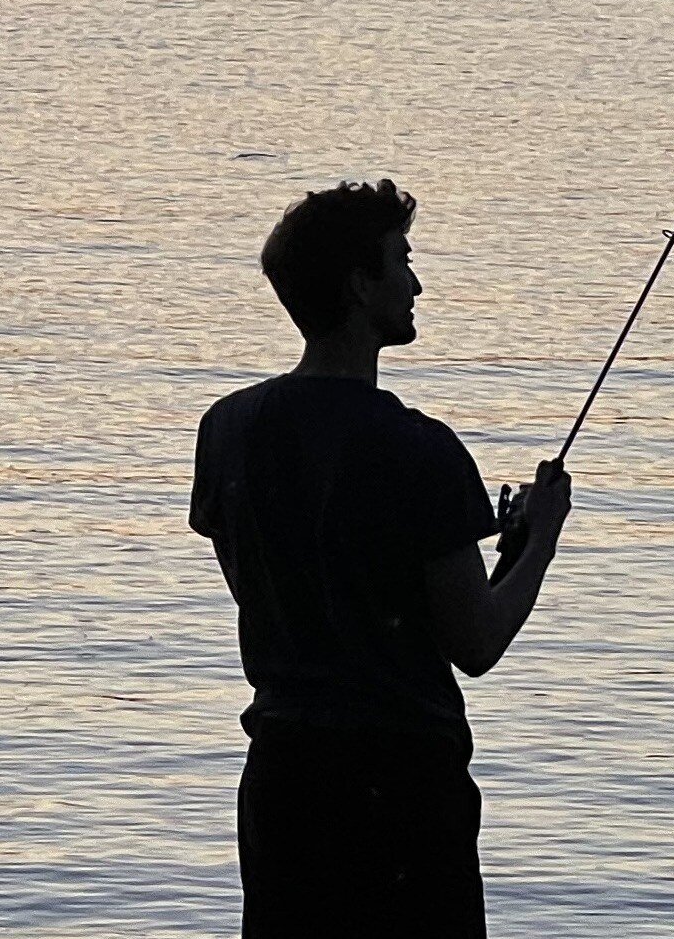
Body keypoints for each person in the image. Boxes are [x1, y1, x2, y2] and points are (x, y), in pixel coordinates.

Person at [192, 180, 574, 939]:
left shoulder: (227, 429)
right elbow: (474, 642)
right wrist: (542, 540)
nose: (416, 281)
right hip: (403, 787)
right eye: (401, 260)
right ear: (361, 285)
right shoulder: (419, 448)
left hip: (284, 778)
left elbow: (276, 588)